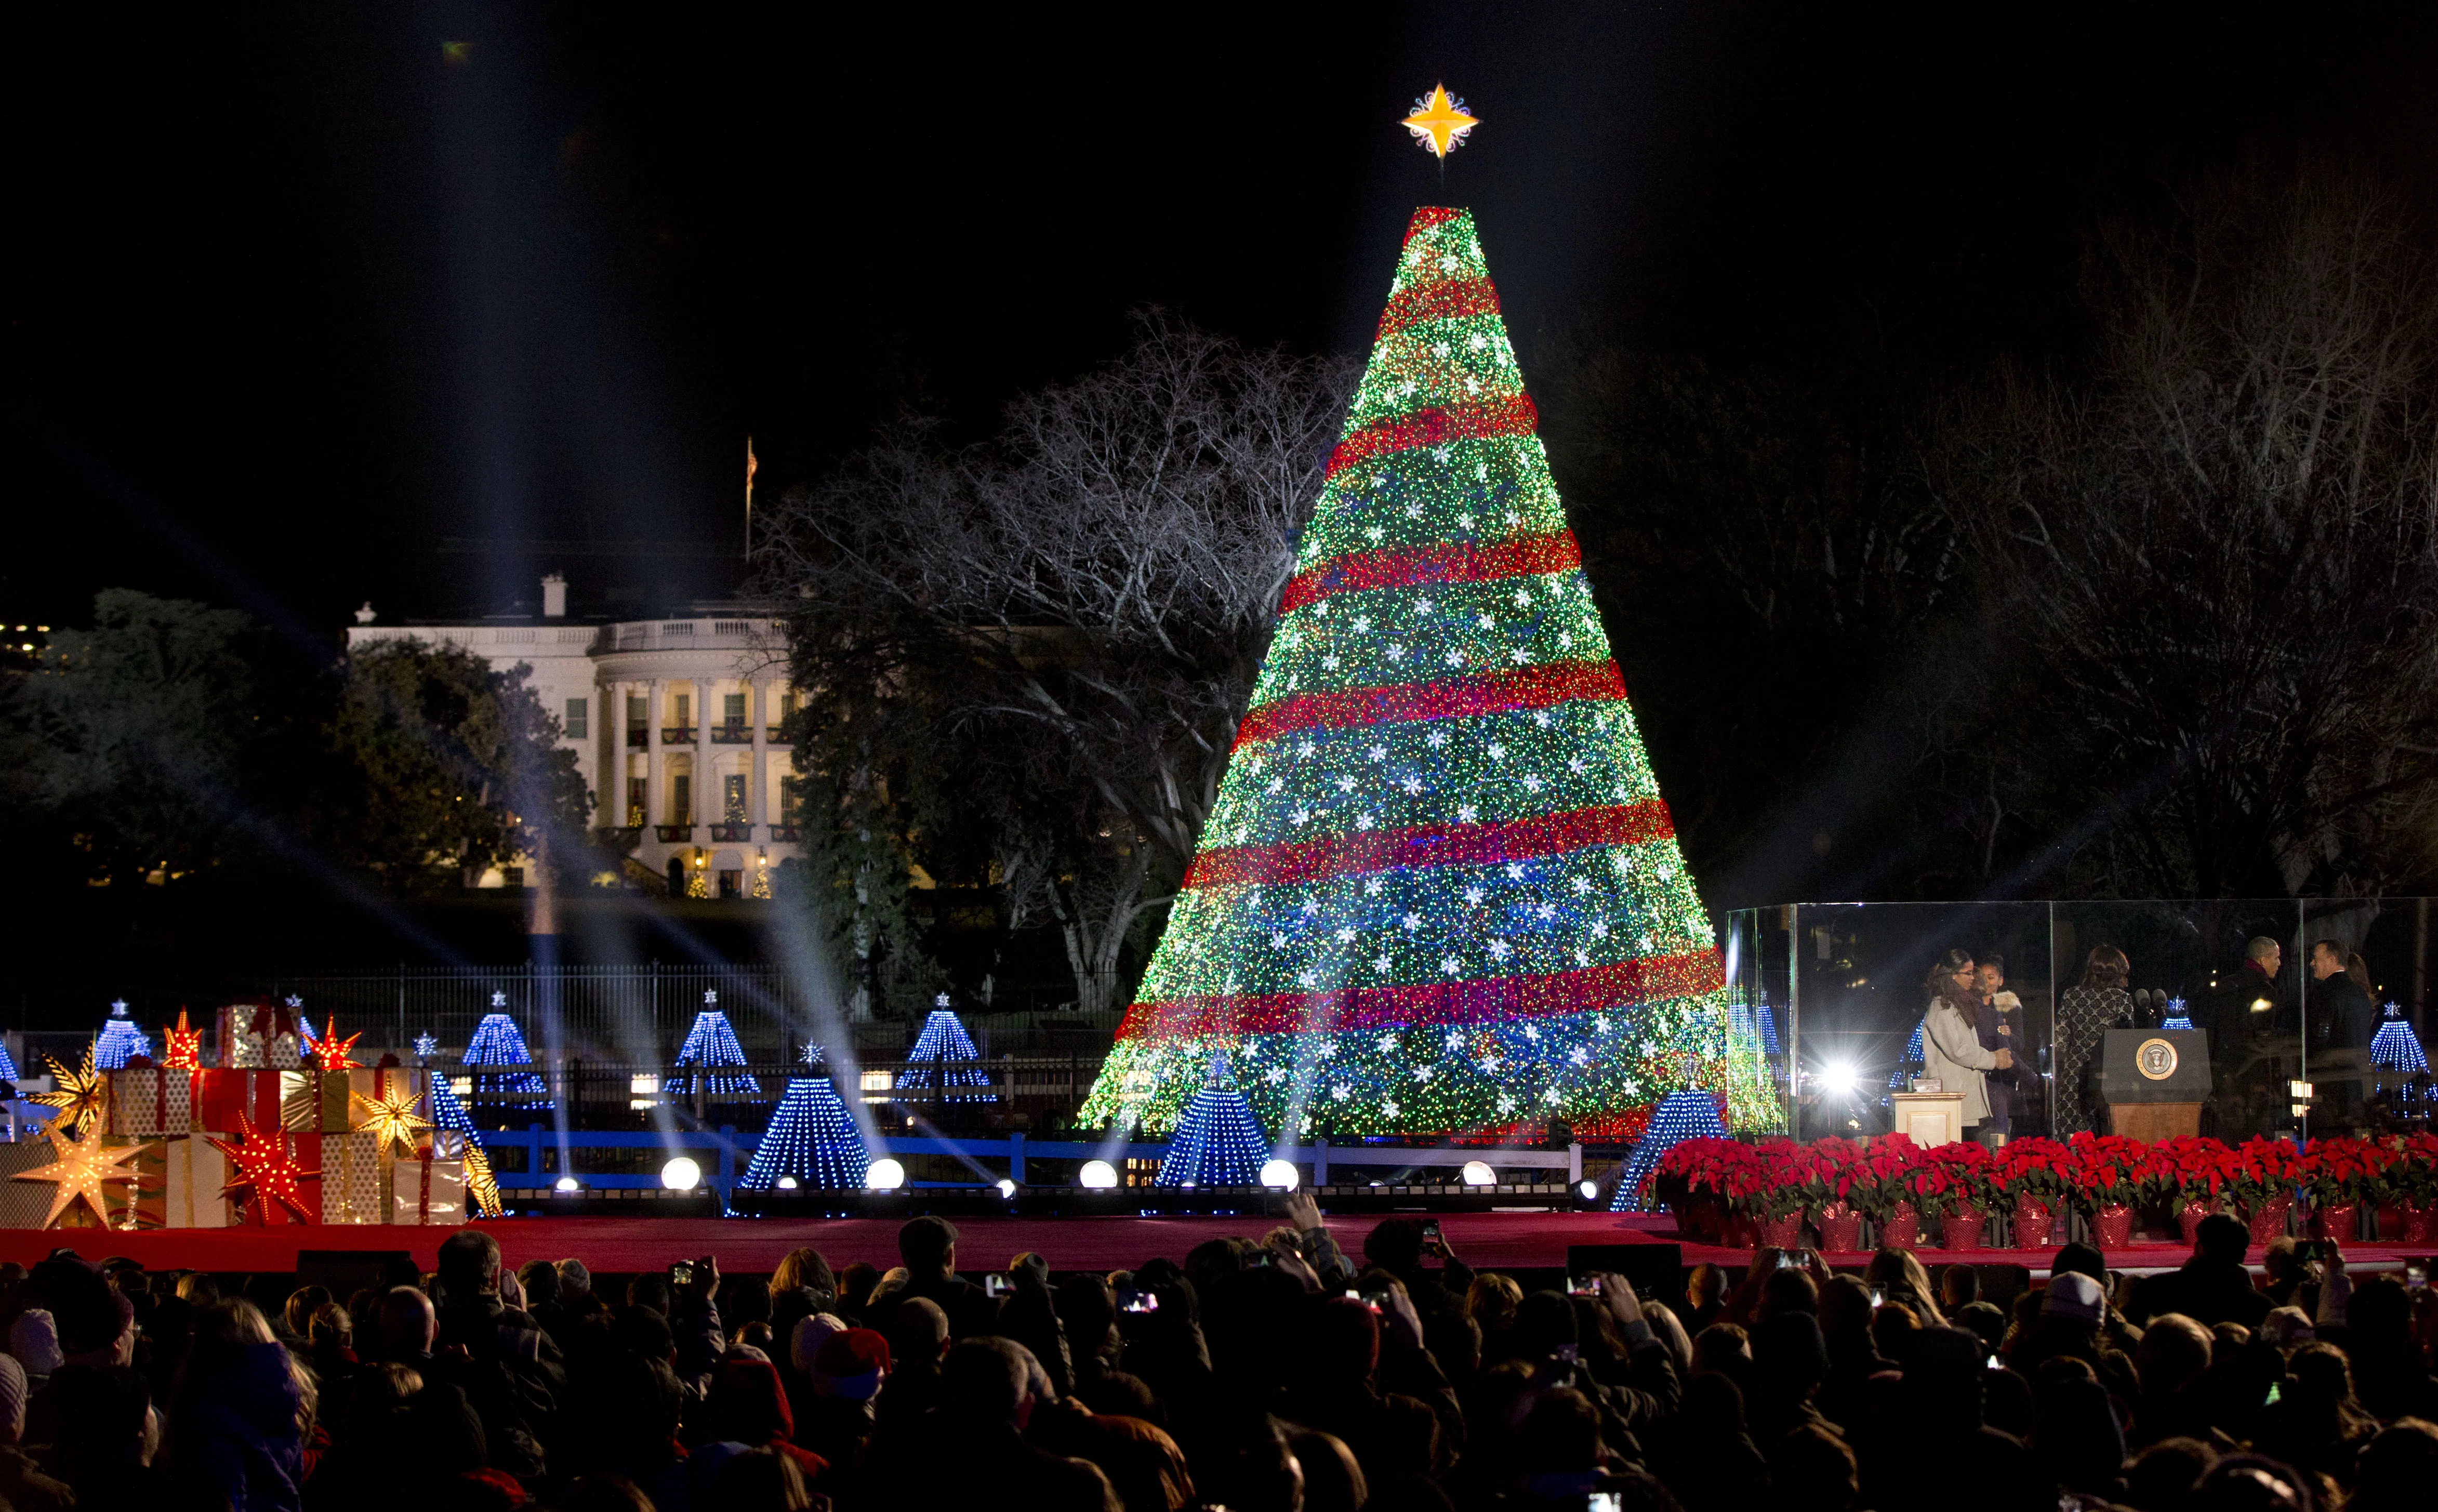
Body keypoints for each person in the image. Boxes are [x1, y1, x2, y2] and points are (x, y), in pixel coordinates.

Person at [1919, 949, 2013, 1146]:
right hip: (1951, 1096)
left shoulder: (1955, 1006)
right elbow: (1959, 1050)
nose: (1973, 978)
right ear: (1953, 975)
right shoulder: (1942, 1008)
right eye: (1968, 973)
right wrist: (1994, 1059)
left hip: (1959, 1095)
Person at [2128, 1214, 2272, 1331]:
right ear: (2242, 1255)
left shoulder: (2154, 1289)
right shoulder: (2261, 1306)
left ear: (2198, 1249)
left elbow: (2128, 1334)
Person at [2054, 945, 2131, 1136]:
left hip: (2074, 1075)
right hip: (2107, 1077)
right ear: (2117, 971)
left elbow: (2061, 1041)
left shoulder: (2071, 995)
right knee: (2104, 1137)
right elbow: (2126, 1044)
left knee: (2072, 1139)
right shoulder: (2122, 1000)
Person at [2309, 938, 2380, 1129]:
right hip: (2357, 1081)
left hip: (2331, 1082)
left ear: (2331, 959)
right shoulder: (2360, 994)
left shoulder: (2324, 993)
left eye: (2316, 958)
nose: (2312, 963)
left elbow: (2320, 1037)